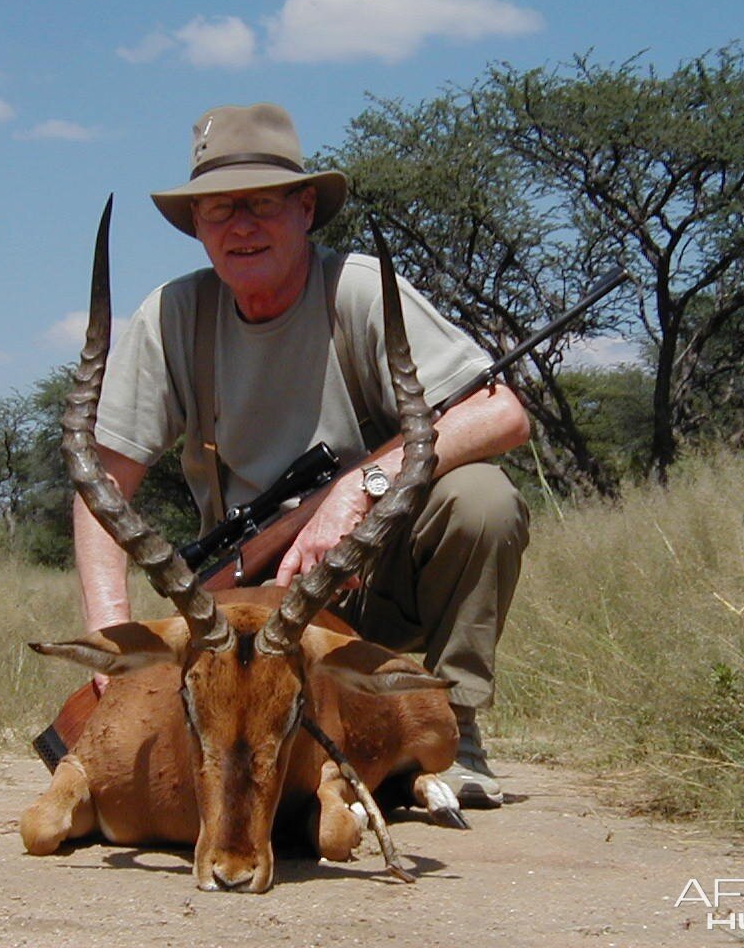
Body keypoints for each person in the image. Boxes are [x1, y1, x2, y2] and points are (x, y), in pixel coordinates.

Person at [74, 102, 531, 808]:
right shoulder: (171, 315)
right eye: (218, 210)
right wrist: (111, 638)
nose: (240, 227)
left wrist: (358, 489)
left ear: (305, 208)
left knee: (483, 500)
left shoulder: (357, 289)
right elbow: (103, 483)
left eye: (260, 204)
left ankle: (457, 730)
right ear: (196, 226)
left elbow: (502, 411)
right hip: (245, 608)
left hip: (375, 584)